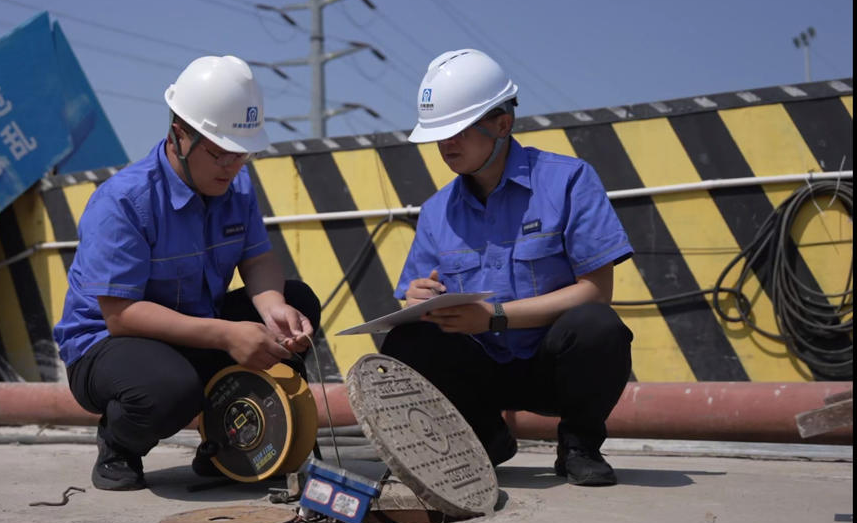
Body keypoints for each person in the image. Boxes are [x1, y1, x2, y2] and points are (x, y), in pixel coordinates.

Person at [53, 55, 319, 491]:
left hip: (195, 327)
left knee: (298, 299)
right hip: (110, 344)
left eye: (242, 156)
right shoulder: (123, 202)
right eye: (219, 154)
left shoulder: (238, 186)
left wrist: (272, 307)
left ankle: (225, 443)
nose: (231, 168)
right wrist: (227, 335)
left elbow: (256, 259)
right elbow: (121, 315)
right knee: (171, 388)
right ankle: (119, 444)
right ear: (180, 135)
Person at [381, 49, 633, 486]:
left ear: (503, 123)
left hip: (550, 368)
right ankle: (482, 439)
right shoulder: (436, 211)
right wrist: (418, 299)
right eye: (439, 135)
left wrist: (495, 317)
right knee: (406, 340)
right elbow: (414, 296)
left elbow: (596, 290)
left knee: (598, 326)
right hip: (480, 373)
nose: (447, 145)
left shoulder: (569, 180)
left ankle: (580, 445)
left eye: (458, 130)